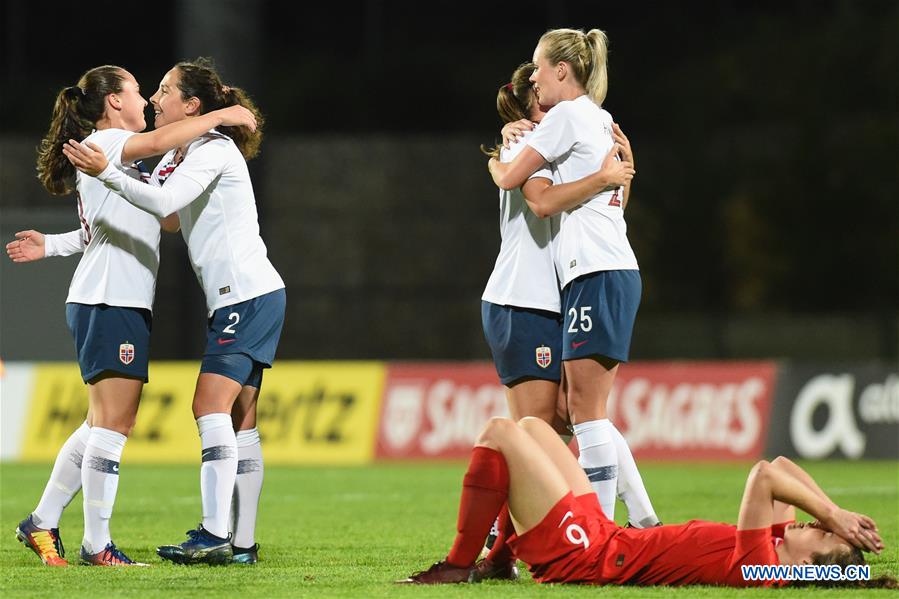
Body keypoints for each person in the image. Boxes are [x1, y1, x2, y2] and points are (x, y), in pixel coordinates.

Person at [8, 65, 256, 567]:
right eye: (138, 92)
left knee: (99, 422)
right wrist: (223, 115)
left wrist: (51, 245)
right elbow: (164, 138)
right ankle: (96, 544)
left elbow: (116, 227)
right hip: (110, 299)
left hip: (110, 298)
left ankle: (41, 521)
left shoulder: (114, 158)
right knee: (114, 425)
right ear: (113, 104)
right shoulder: (111, 144)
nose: (145, 100)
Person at [64, 57, 285, 566]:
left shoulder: (212, 149)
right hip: (240, 296)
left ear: (191, 105)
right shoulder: (181, 155)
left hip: (246, 294)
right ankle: (244, 544)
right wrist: (111, 181)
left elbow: (167, 199)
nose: (155, 99)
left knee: (208, 406)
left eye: (165, 90)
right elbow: (166, 218)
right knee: (241, 418)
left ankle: (213, 533)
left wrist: (110, 175)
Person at [476, 61, 657, 581]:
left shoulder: (567, 139)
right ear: (531, 108)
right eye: (537, 94)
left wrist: (620, 169)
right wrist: (603, 172)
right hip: (523, 300)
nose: (547, 98)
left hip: (561, 296)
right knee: (539, 430)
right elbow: (538, 201)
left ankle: (637, 523)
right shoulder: (526, 142)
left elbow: (607, 208)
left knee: (573, 416)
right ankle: (501, 545)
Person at [401, 417, 893, 588]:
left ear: (808, 566)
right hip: (606, 536)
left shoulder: (760, 567)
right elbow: (783, 463)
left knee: (500, 434)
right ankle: (500, 561)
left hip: (586, 557)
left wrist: (834, 518)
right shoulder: (774, 540)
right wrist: (840, 519)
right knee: (534, 428)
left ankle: (457, 567)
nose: (811, 522)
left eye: (820, 532)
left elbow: (764, 476)